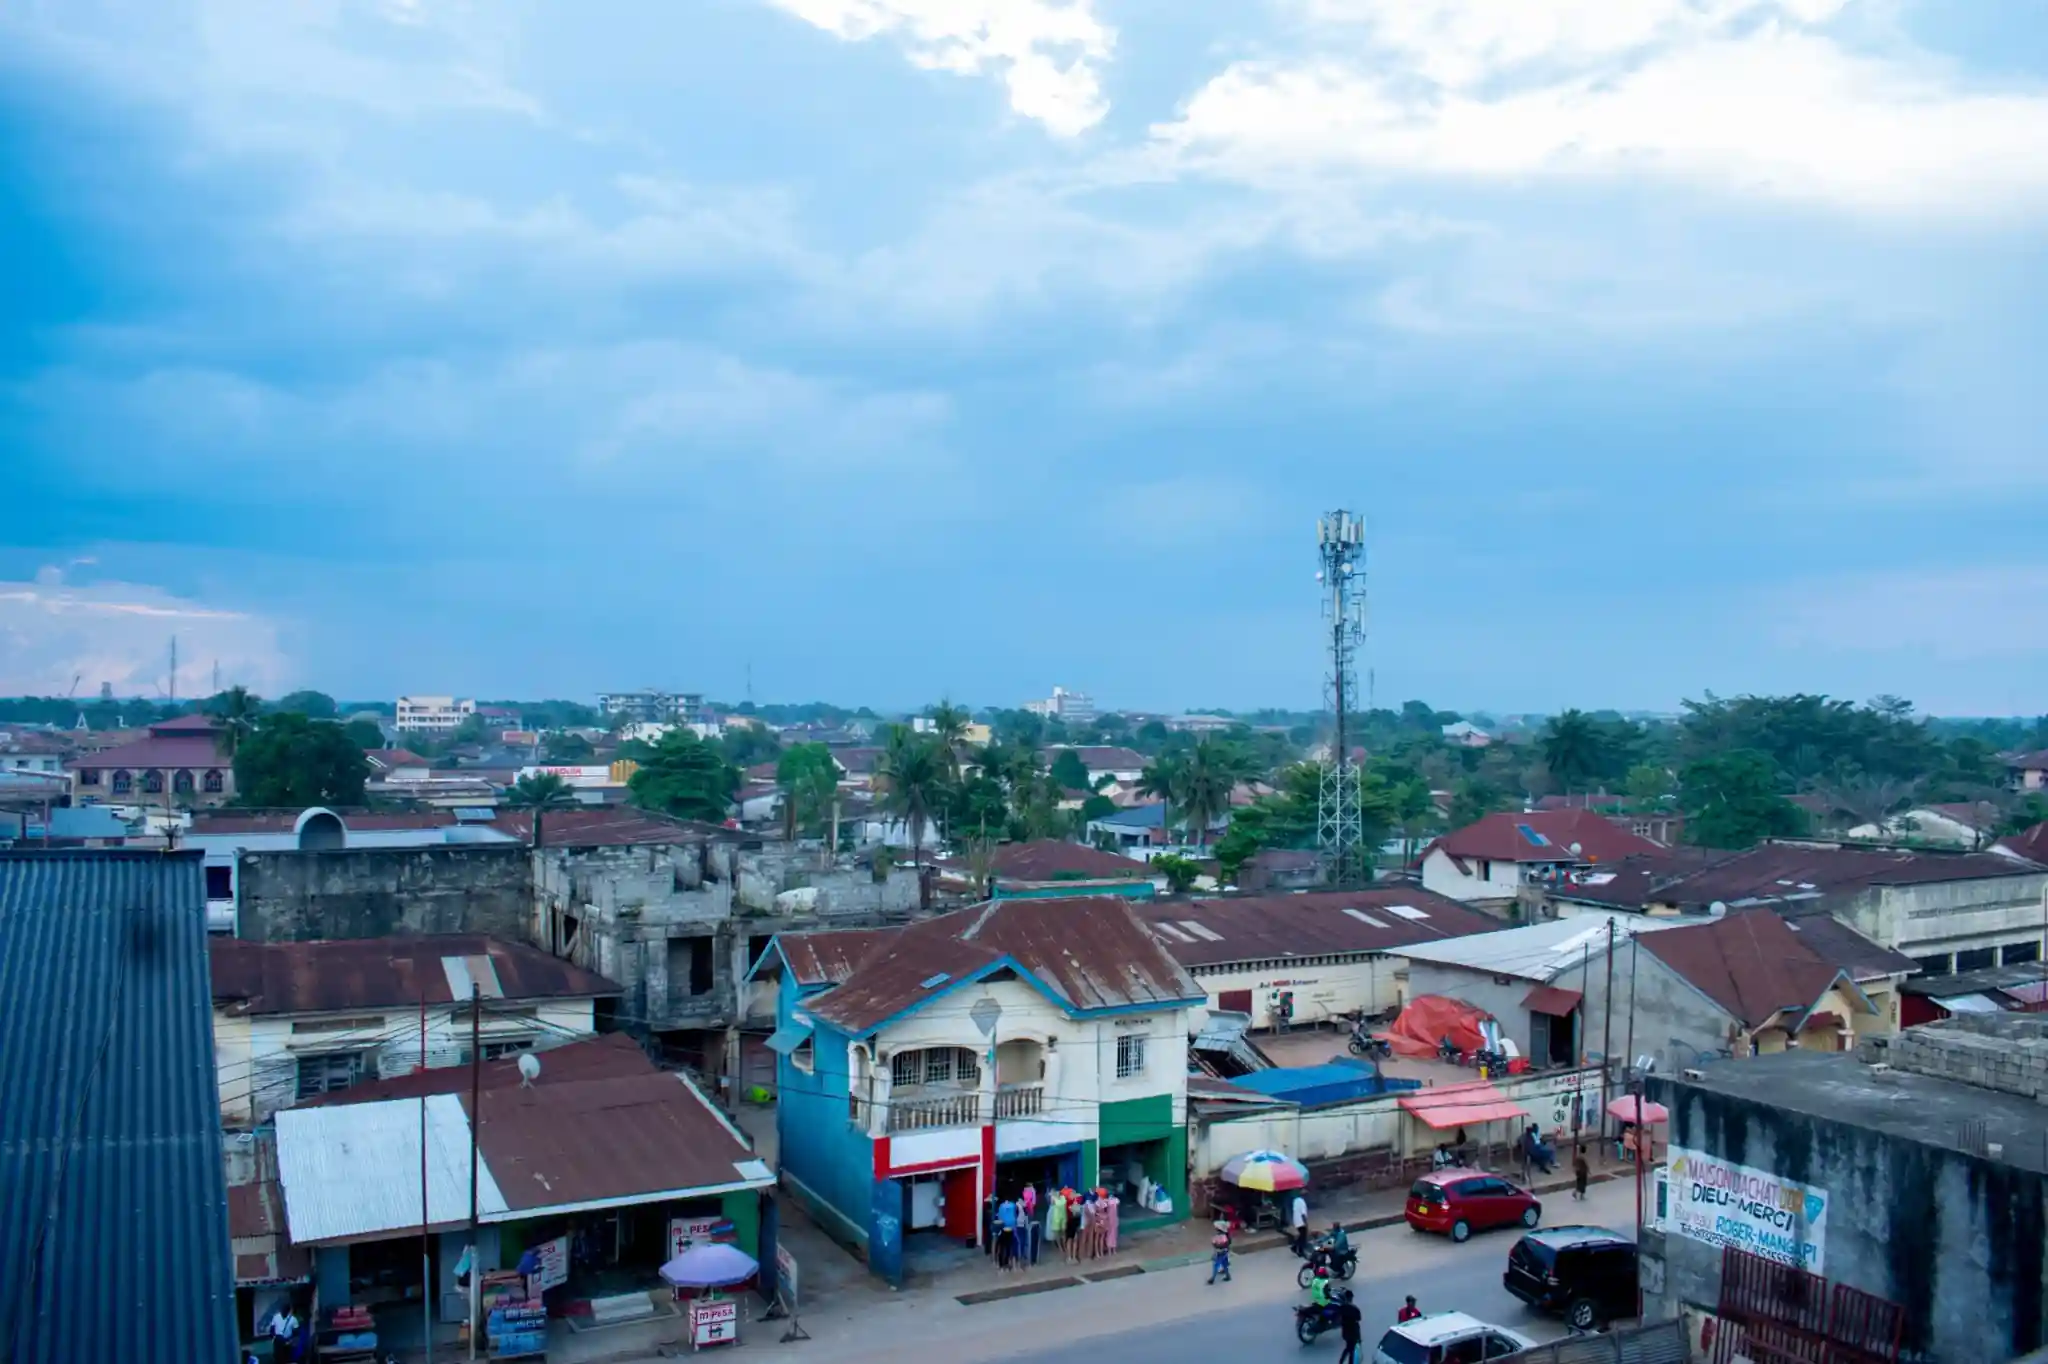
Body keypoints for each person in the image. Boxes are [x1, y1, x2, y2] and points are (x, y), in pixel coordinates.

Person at [1336, 1291, 1364, 1364]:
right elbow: (1359, 1318)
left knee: (1349, 1347)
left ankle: (1342, 1361)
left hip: (1346, 1332)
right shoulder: (1355, 1309)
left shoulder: (1342, 1308)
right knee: (1351, 1349)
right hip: (1353, 1332)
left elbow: (1339, 1319)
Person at [1290, 1190, 1309, 1257]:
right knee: (1303, 1237)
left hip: (1296, 1221)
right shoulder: (1302, 1202)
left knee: (1301, 1236)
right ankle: (1299, 1249)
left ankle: (1295, 1248)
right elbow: (1303, 1214)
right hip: (1301, 1222)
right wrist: (1306, 1223)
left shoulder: (1296, 1200)